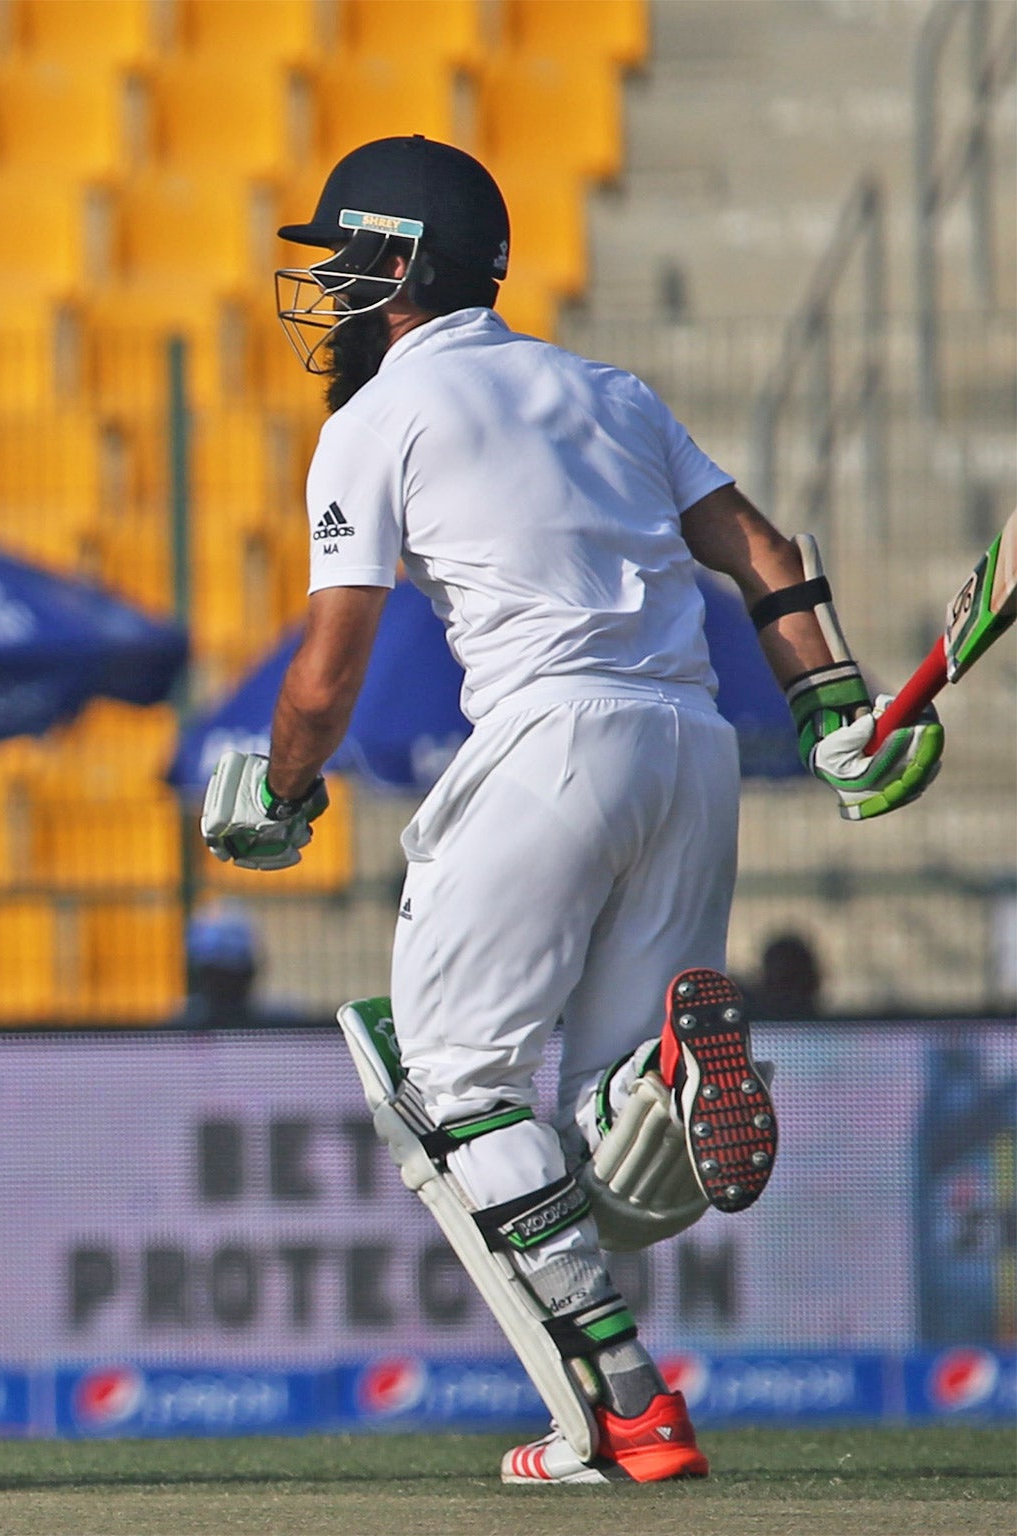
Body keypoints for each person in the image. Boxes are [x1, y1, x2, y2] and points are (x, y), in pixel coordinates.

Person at [201, 136, 941, 1485]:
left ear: (403, 266)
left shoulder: (373, 423)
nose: (330, 288)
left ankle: (626, 1410)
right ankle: (658, 1090)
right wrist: (833, 707)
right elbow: (766, 554)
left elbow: (326, 671)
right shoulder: (610, 389)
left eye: (347, 259)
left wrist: (284, 792)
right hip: (694, 750)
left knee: (453, 1083)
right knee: (609, 1148)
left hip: (550, 742)